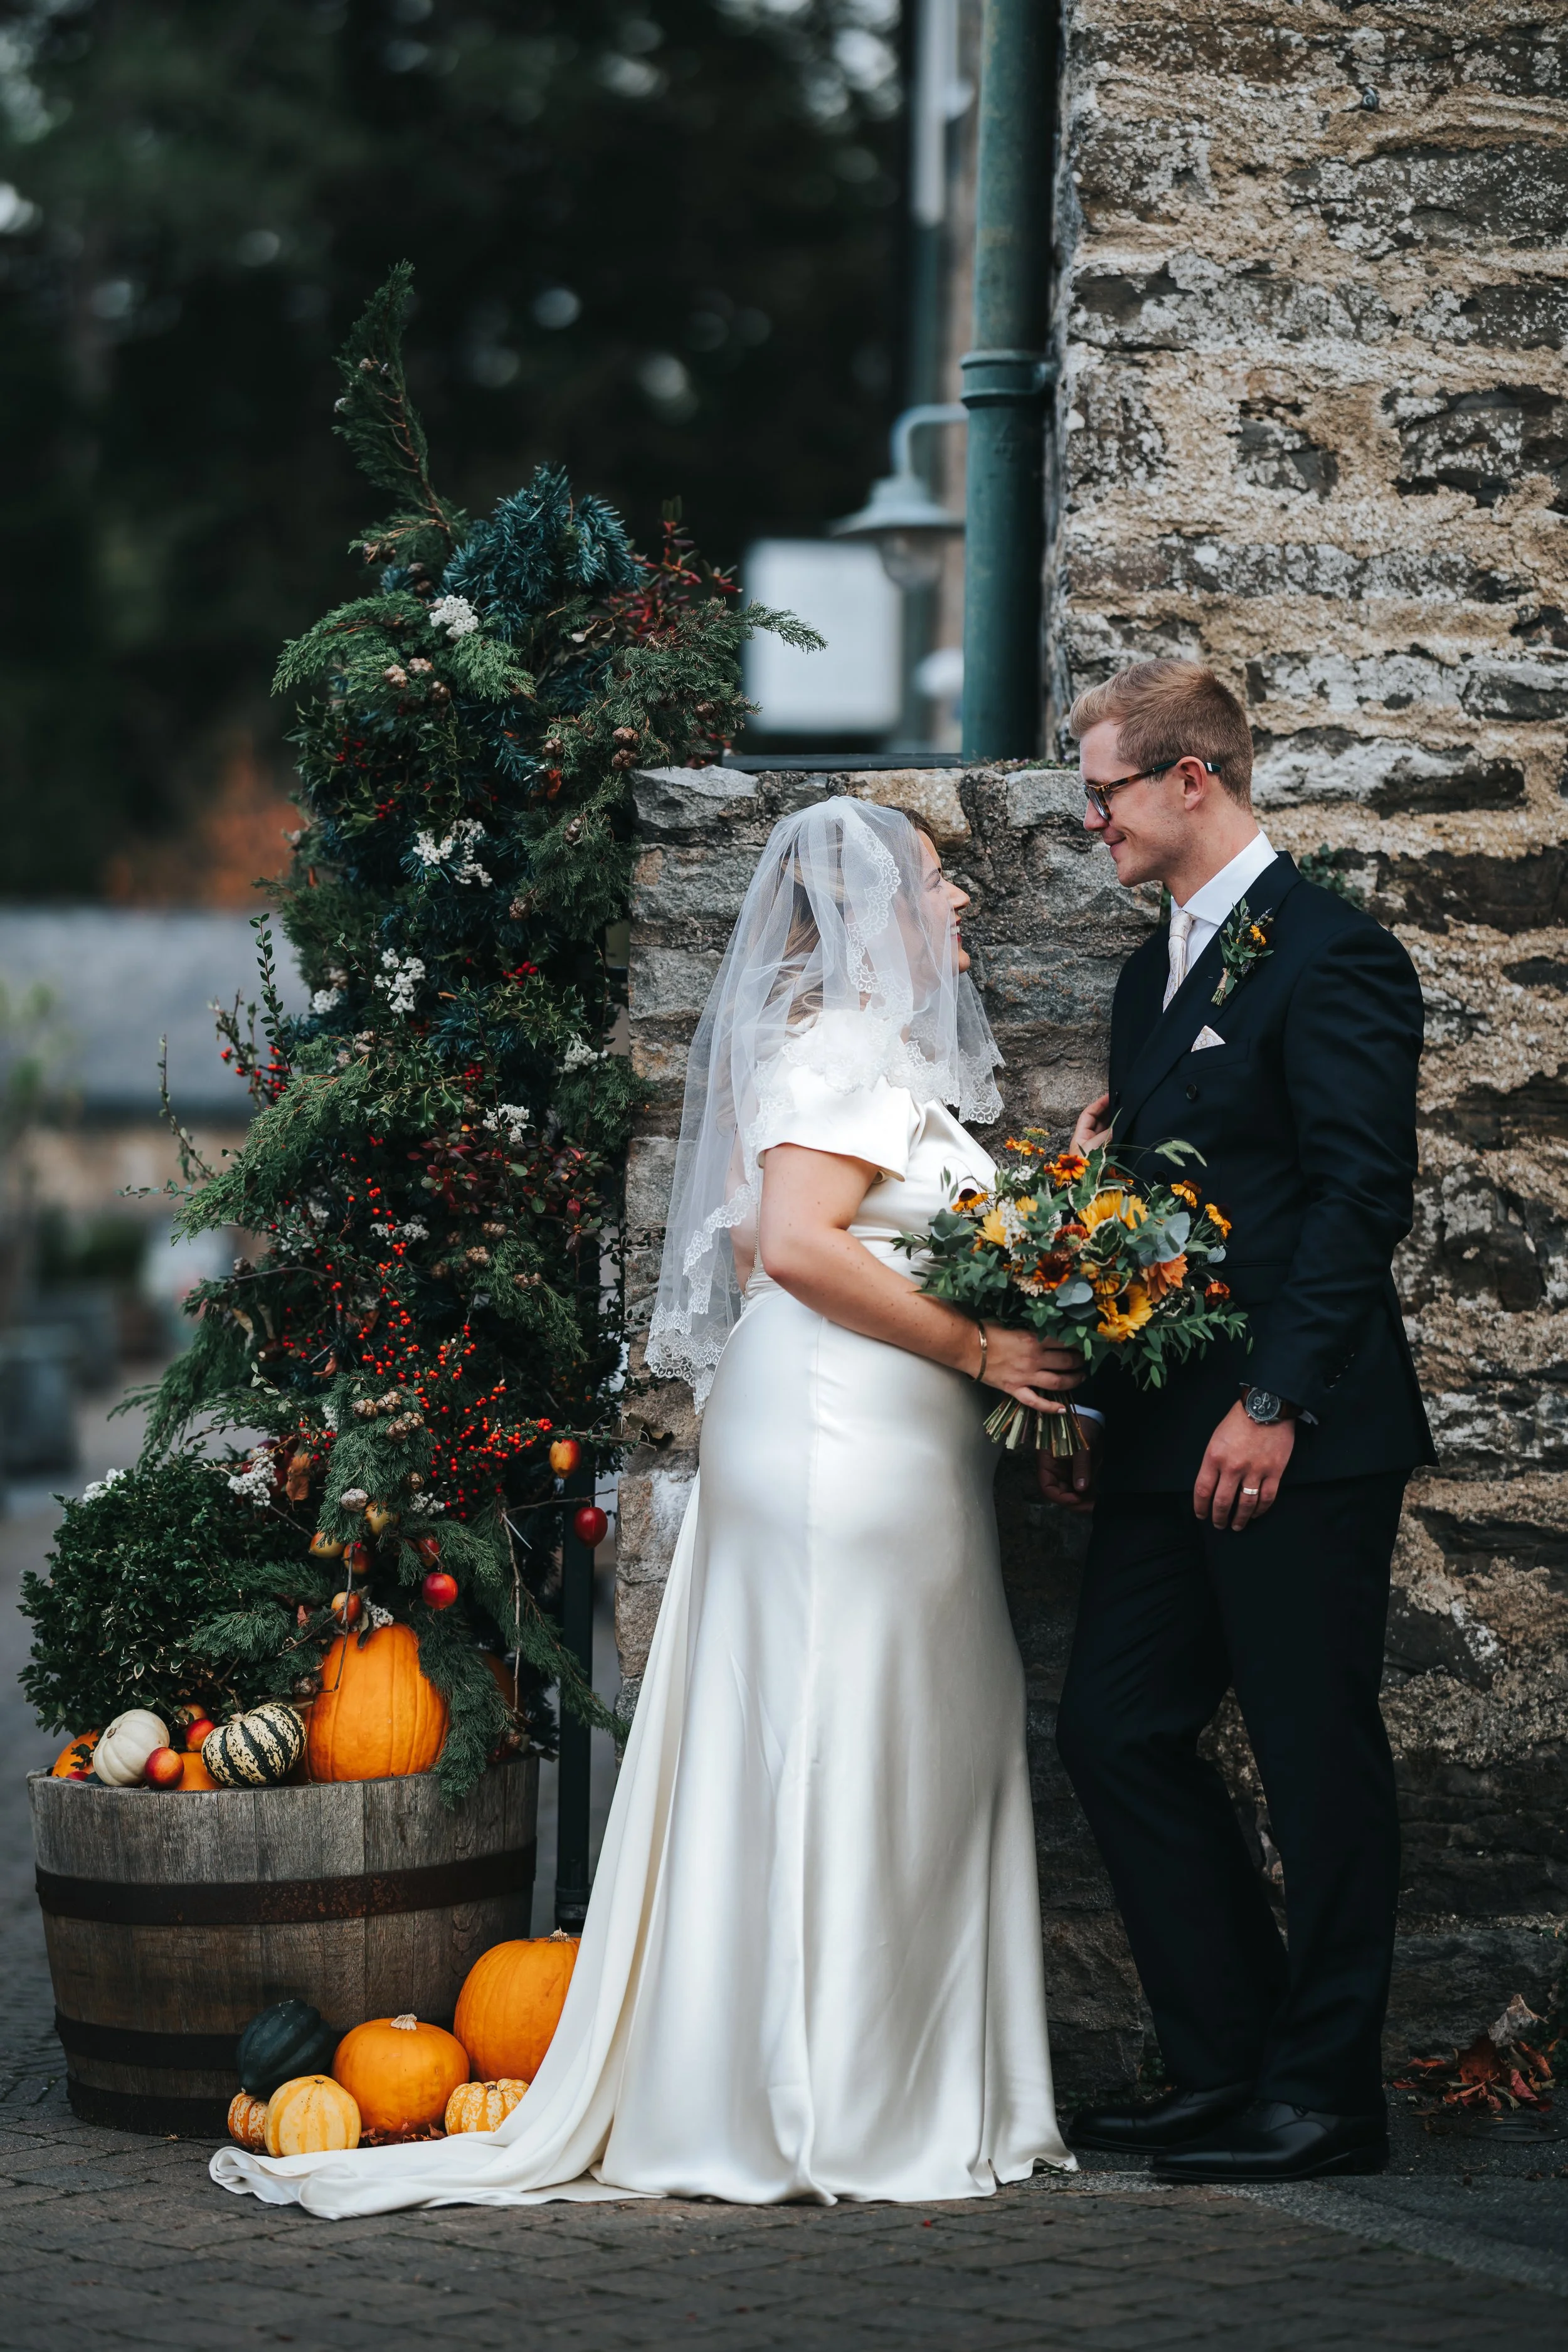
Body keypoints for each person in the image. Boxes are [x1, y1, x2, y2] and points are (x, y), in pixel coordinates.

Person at [213, 797, 1082, 2217]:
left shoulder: (868, 1067)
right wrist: (984, 1352)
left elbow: (829, 1231)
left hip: (876, 1450)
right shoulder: (850, 1048)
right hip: (839, 1449)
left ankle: (855, 2078)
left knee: (890, 1737)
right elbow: (791, 1248)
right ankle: (829, 2102)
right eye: (940, 881)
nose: (962, 907)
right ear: (870, 909)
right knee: (840, 1733)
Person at [1042, 659, 1434, 2183]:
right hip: (1156, 1437)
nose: (1092, 822)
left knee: (1313, 1752)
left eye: (1103, 793)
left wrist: (1275, 1398)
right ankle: (1224, 2062)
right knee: (1115, 1731)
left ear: (1188, 778)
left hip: (1299, 1435)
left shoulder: (1333, 953)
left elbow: (1356, 1197)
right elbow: (1154, 1210)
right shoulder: (1152, 974)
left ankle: (1326, 2096)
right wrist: (1087, 1398)